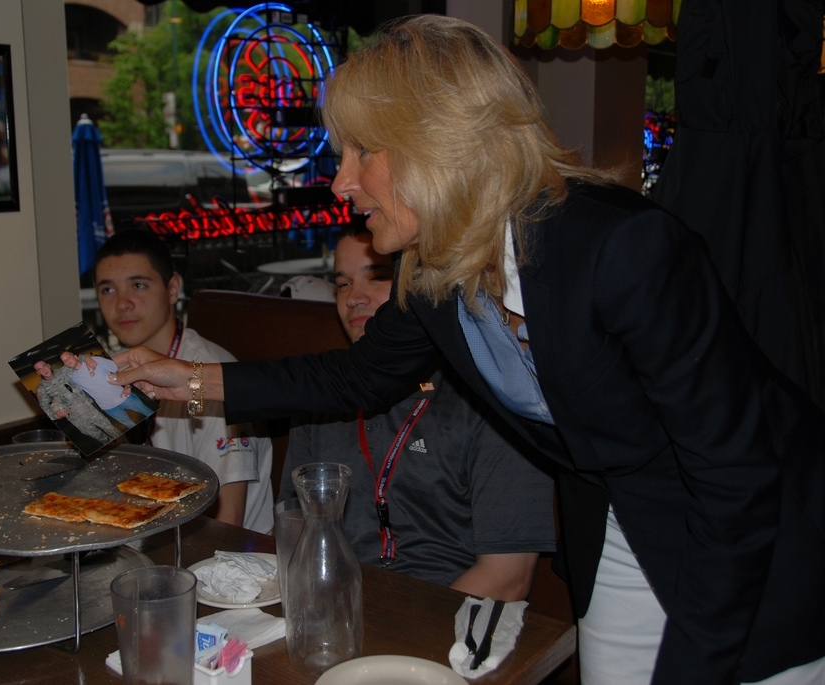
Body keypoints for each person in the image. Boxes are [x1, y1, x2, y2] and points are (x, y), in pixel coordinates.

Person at [109, 16, 825, 685]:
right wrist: (188, 379)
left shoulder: (624, 250)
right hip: (619, 518)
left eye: (361, 152)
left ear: (436, 139)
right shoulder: (436, 272)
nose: (341, 181)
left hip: (759, 533)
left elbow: (739, 477)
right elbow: (356, 376)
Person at [280, 223, 554, 599]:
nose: (353, 298)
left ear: (422, 287)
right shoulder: (321, 398)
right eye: (342, 284)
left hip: (448, 616)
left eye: (375, 277)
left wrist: (403, 646)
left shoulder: (494, 398)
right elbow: (293, 532)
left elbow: (507, 577)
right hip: (337, 605)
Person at [93, 229, 274, 534]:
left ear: (173, 288)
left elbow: (226, 524)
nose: (122, 303)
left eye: (138, 285)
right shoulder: (114, 370)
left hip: (227, 556)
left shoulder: (212, 377)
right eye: (107, 290)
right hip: (149, 532)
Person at [58, 350, 154, 429]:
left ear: (75, 356)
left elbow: (117, 370)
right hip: (108, 408)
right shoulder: (72, 377)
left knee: (150, 414)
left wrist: (127, 386)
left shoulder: (95, 360)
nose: (67, 361)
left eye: (69, 357)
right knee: (130, 426)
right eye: (64, 361)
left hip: (124, 397)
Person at [33, 359, 120, 446]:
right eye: (40, 369)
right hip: (76, 419)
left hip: (89, 410)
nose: (44, 370)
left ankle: (125, 444)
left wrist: (87, 358)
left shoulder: (63, 371)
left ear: (48, 365)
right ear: (38, 373)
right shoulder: (42, 389)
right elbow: (44, 407)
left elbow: (76, 359)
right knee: (100, 437)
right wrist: (56, 416)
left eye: (44, 366)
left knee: (111, 429)